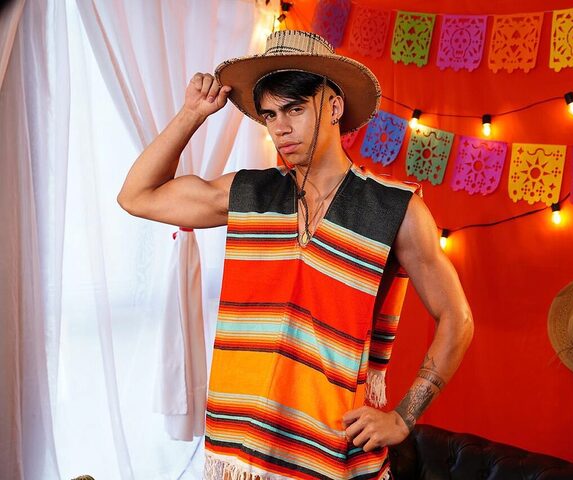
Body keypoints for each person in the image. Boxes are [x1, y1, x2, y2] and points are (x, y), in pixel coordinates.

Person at [118, 30, 473, 480]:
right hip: (242, 453)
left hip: (332, 450)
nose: (279, 128)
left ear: (334, 107)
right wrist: (192, 114)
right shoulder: (249, 192)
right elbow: (137, 196)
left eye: (294, 109)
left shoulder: (394, 209)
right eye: (269, 115)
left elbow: (457, 318)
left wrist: (403, 417)